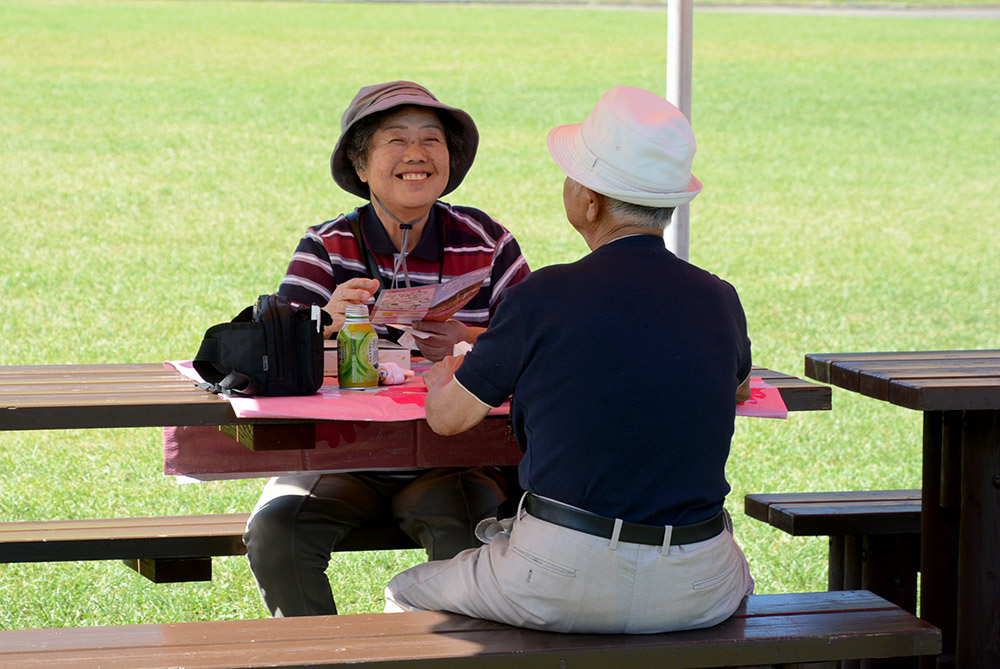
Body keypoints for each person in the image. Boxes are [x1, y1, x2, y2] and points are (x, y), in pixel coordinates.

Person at [384, 85, 755, 634]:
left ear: (588, 199)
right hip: (701, 580)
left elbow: (449, 419)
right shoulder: (719, 296)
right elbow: (740, 388)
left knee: (407, 593)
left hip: (563, 570)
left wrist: (445, 377)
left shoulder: (544, 297)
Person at [243, 81, 530, 617]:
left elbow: (537, 346)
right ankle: (320, 658)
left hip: (455, 458)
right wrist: (323, 321)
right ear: (359, 163)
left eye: (432, 140)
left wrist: (469, 339)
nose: (417, 154)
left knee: (469, 539)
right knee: (275, 533)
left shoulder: (488, 241)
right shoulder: (326, 245)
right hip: (338, 456)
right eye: (395, 140)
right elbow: (270, 359)